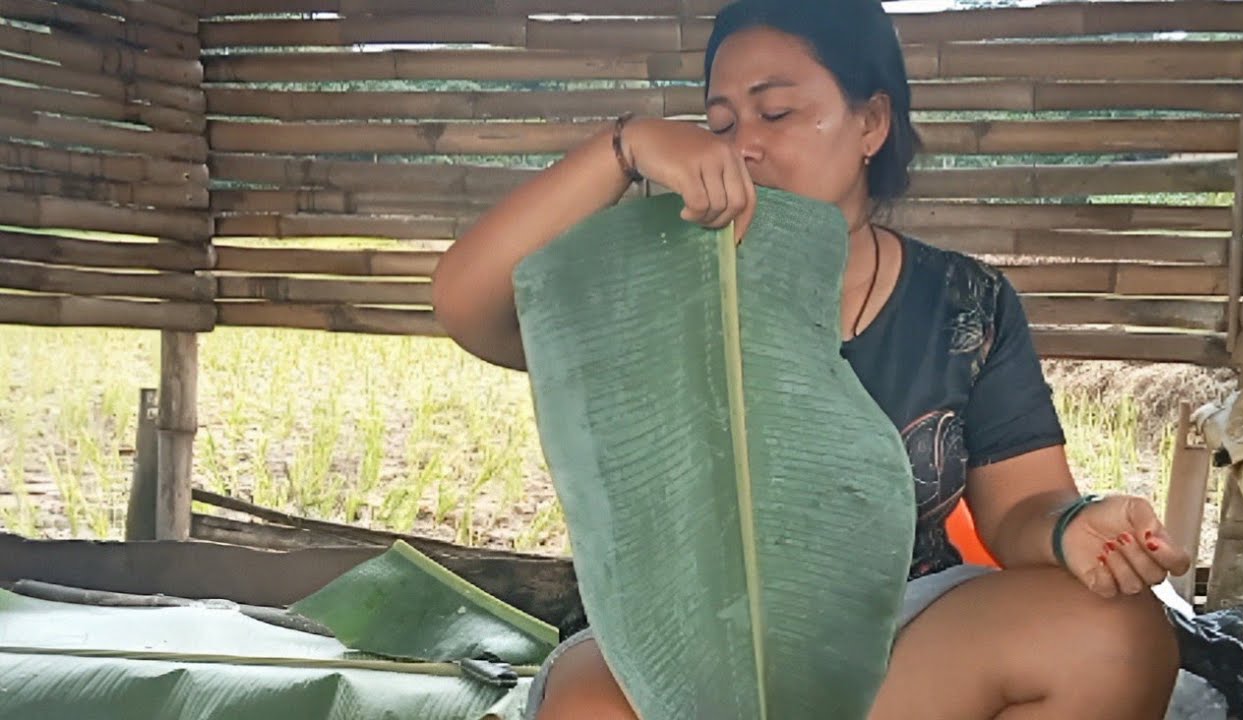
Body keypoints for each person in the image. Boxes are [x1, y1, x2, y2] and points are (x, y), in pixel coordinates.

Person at [432, 0, 1194, 717]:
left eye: (777, 111)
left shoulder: (965, 303)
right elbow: (468, 305)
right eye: (720, 121)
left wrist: (1072, 529)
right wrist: (622, 147)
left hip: (901, 634)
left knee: (1116, 636)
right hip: (680, 644)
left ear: (871, 123)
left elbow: (1023, 507)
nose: (743, 144)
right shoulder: (653, 282)